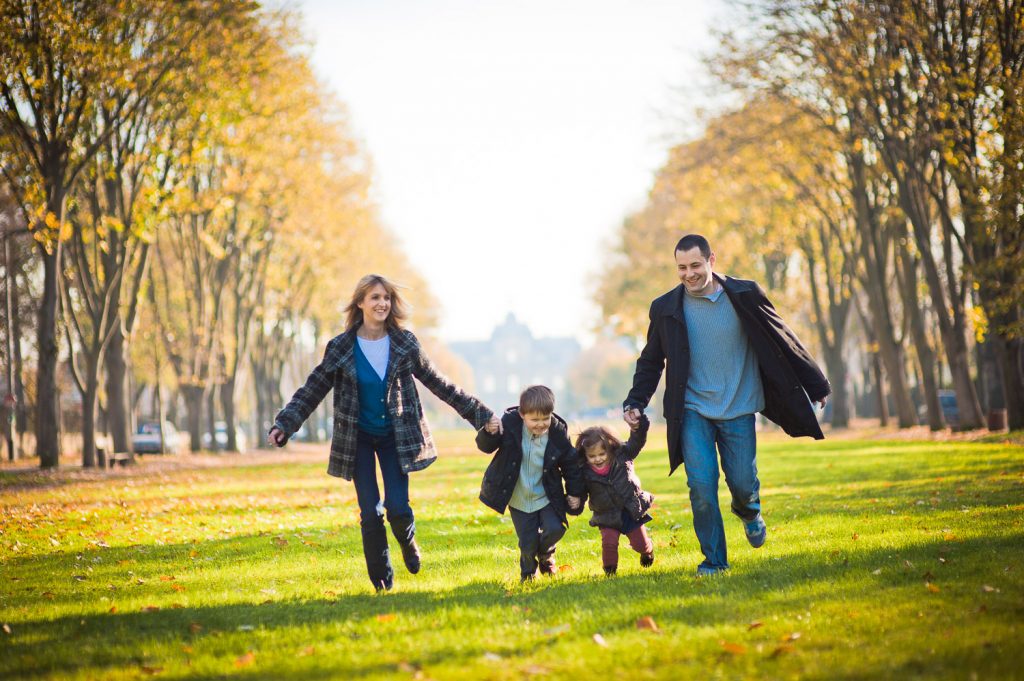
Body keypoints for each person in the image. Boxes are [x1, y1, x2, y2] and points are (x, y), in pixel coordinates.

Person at [268, 274, 500, 592]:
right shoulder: (341, 347)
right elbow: (313, 388)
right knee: (370, 511)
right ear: (360, 302)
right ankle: (382, 580)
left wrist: (481, 415)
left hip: (395, 437)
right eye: (375, 297)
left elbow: (441, 384)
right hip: (358, 439)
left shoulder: (405, 343)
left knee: (398, 508)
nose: (382, 303)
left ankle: (407, 543)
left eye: (387, 298)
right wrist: (285, 424)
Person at [623, 234, 830, 576]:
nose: (688, 274)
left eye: (695, 265)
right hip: (693, 411)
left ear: (711, 260)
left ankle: (749, 511)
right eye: (681, 268)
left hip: (738, 407)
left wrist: (816, 382)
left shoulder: (745, 295)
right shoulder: (666, 309)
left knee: (742, 481)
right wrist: (635, 401)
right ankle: (714, 561)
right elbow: (651, 361)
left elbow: (783, 337)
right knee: (701, 486)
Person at [476, 385, 585, 582]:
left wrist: (575, 493)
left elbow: (571, 464)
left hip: (547, 494)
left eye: (545, 418)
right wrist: (489, 433)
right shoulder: (509, 424)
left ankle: (546, 555)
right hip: (519, 496)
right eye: (534, 419)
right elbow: (486, 447)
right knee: (527, 542)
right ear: (522, 415)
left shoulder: (558, 431)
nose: (541, 424)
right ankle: (527, 573)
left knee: (556, 528)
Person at [575, 414, 655, 576]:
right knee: (609, 543)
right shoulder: (584, 471)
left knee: (639, 544)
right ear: (585, 455)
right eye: (592, 456)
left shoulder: (622, 455)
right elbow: (580, 491)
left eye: (601, 454)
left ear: (610, 448)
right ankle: (610, 571)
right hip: (606, 514)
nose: (597, 459)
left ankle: (647, 551)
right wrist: (575, 501)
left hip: (630, 509)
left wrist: (638, 428)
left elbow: (636, 443)